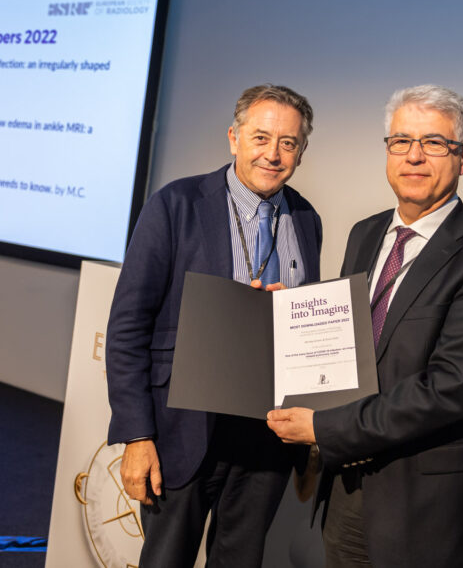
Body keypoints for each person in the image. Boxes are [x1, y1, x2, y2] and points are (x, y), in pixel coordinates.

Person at [267, 84, 463, 567]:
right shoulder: (365, 233)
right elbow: (349, 344)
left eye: (434, 143)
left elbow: (449, 389)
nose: (414, 156)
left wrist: (325, 426)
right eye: (401, 141)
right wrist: (291, 317)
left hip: (422, 505)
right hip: (347, 489)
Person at [105, 84, 322, 567]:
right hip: (183, 427)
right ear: (233, 138)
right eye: (260, 137)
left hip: (266, 438)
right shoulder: (176, 204)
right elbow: (128, 326)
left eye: (288, 143)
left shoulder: (307, 218)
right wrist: (137, 436)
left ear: (302, 151)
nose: (272, 154)